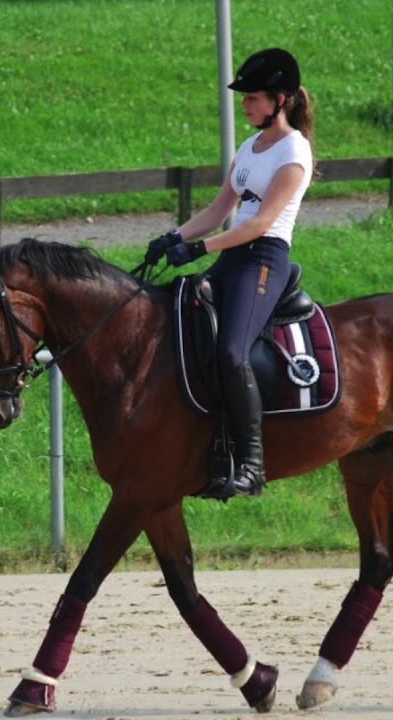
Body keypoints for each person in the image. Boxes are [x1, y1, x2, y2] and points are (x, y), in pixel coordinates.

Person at [147, 47, 315, 497]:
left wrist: (200, 248)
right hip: (232, 256)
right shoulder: (250, 147)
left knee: (231, 352)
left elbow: (260, 224)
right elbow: (221, 208)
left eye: (253, 97)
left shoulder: (294, 151)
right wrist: (173, 237)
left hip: (264, 260)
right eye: (244, 98)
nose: (245, 105)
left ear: (280, 99)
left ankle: (253, 464)